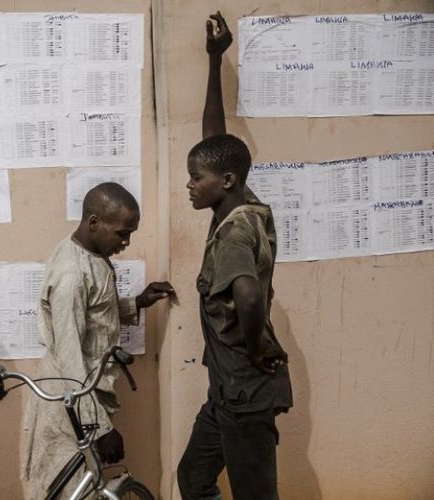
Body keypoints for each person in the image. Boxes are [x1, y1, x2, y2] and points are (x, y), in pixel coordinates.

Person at [176, 12, 293, 500]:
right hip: (225, 394)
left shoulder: (233, 234)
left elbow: (246, 295)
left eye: (195, 178)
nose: (189, 184)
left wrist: (259, 345)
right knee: (194, 478)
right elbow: (214, 144)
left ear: (223, 182)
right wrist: (214, 61)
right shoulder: (235, 207)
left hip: (246, 395)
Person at [21, 182, 175, 499]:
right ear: (94, 223)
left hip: (83, 396)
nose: (126, 242)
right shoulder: (72, 274)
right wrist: (101, 427)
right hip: (70, 403)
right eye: (121, 233)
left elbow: (96, 309)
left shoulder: (89, 254)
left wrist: (138, 303)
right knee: (74, 491)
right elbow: (70, 358)